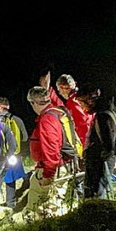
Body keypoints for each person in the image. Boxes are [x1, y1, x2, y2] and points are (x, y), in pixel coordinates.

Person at [24, 86, 77, 214]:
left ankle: (39, 223)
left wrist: (48, 174)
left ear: (34, 103)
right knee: (55, 202)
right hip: (64, 164)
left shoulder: (47, 120)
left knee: (37, 205)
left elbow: (51, 148)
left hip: (53, 168)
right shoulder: (58, 111)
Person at [76, 87, 116, 200]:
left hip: (98, 162)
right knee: (100, 192)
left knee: (95, 195)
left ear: (89, 101)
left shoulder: (102, 117)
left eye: (81, 103)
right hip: (106, 160)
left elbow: (106, 143)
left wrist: (107, 154)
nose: (82, 107)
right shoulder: (111, 109)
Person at [0, 97, 30, 209]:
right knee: (16, 173)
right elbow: (25, 137)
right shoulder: (17, 119)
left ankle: (10, 202)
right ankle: (27, 182)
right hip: (16, 153)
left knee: (8, 178)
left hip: (2, 155)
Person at [40, 70, 92, 150]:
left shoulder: (73, 102)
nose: (60, 93)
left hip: (83, 145)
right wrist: (48, 90)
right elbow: (61, 107)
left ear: (63, 88)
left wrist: (81, 148)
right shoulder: (79, 98)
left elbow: (83, 124)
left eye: (59, 90)